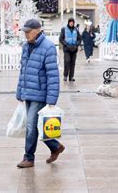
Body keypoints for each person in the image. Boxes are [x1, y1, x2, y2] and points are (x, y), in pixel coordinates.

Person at [16, 19, 65, 168]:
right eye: (24, 32)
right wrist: (19, 91)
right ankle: (55, 146)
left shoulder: (48, 47)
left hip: (40, 94)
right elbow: (23, 71)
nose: (26, 35)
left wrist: (52, 99)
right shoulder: (26, 47)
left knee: (31, 126)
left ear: (38, 30)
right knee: (37, 126)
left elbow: (53, 75)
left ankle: (28, 158)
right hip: (28, 92)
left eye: (28, 31)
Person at [59, 17, 81, 81]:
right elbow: (61, 39)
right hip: (67, 48)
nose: (71, 23)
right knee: (67, 61)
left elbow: (79, 39)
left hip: (74, 48)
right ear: (68, 23)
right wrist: (66, 45)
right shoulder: (64, 29)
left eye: (72, 22)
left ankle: (71, 76)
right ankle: (65, 75)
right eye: (70, 22)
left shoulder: (76, 30)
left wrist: (76, 45)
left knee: (72, 62)